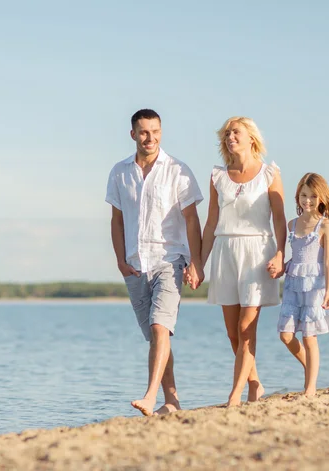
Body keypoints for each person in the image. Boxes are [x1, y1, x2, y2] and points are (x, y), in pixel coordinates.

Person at [105, 109, 204, 416]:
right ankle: (171, 401)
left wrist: (196, 262)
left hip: (169, 260)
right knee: (156, 337)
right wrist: (121, 261)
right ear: (133, 134)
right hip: (135, 266)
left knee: (161, 328)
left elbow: (191, 220)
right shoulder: (120, 172)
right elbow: (117, 221)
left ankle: (149, 396)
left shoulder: (178, 170)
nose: (151, 138)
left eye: (156, 131)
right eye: (144, 132)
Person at [200, 116, 286, 407]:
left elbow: (279, 219)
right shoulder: (217, 176)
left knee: (247, 327)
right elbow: (211, 223)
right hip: (225, 252)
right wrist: (199, 262)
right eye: (226, 134)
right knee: (231, 330)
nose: (229, 137)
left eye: (235, 132)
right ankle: (255, 383)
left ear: (251, 137)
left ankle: (234, 395)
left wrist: (280, 253)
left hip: (257, 252)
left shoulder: (269, 174)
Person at [277, 172, 329, 396]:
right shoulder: (291, 224)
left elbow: (328, 261)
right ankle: (311, 368)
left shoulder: (325, 225)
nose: (307, 200)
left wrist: (328, 291)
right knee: (286, 335)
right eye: (303, 195)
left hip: (315, 287)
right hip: (293, 284)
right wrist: (280, 266)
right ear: (297, 197)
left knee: (309, 337)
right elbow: (294, 256)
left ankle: (309, 388)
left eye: (312, 196)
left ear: (321, 198)